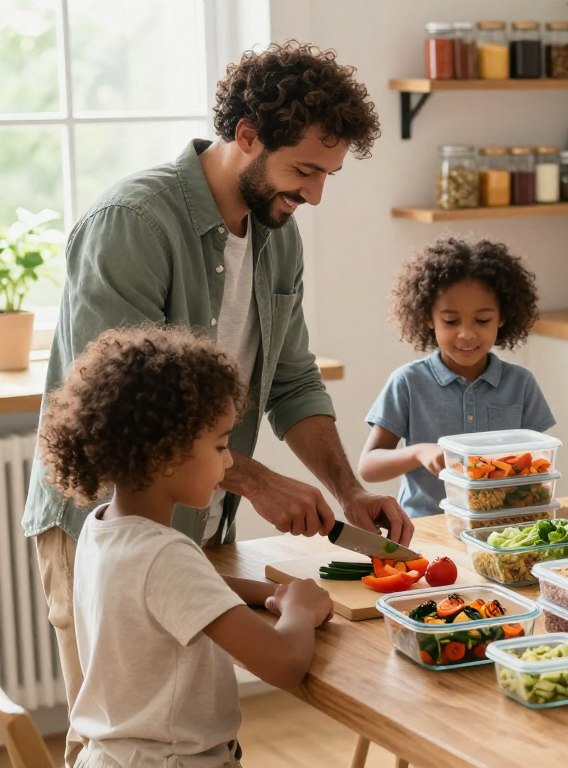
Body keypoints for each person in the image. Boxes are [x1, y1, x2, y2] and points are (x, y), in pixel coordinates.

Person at [22, 41, 409, 765]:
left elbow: (292, 379)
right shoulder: (133, 224)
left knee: (179, 711)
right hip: (95, 521)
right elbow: (127, 414)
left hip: (188, 519)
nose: (315, 195)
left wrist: (348, 490)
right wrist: (258, 481)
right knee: (111, 728)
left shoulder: (275, 233)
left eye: (327, 175)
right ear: (246, 136)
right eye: (304, 171)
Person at [39, 326, 334, 768]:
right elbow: (285, 664)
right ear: (164, 455)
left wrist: (271, 592)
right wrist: (301, 611)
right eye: (219, 445)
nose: (230, 461)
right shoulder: (164, 555)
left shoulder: (103, 530)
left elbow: (188, 588)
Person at [359, 236, 555, 517]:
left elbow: (540, 464)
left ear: (502, 317)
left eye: (482, 320)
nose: (466, 334)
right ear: (428, 318)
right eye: (450, 321)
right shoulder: (408, 382)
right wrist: (418, 453)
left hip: (501, 526)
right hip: (425, 525)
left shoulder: (520, 384)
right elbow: (369, 466)